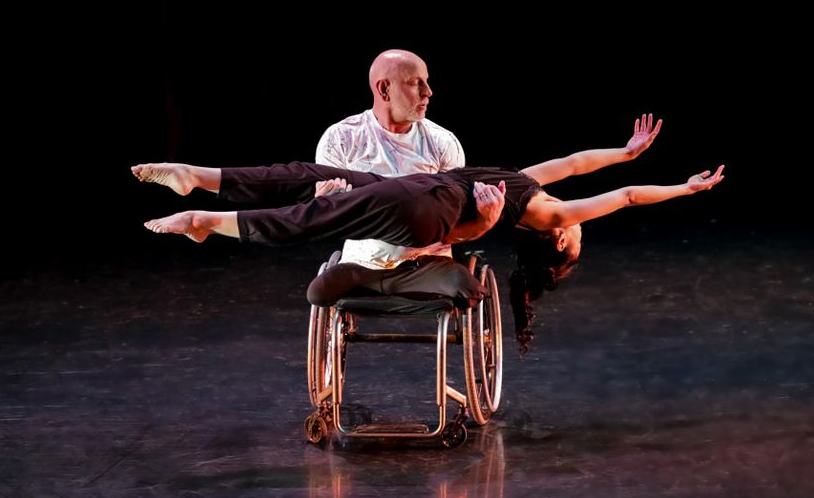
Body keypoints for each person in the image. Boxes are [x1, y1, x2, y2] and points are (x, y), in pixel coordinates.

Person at [132, 117, 724, 352]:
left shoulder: (548, 217)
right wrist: (623, 152)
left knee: (320, 214)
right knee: (315, 177)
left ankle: (207, 220)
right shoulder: (527, 185)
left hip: (429, 204)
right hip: (424, 193)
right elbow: (575, 163)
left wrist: (682, 189)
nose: (579, 230)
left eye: (576, 236)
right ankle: (200, 181)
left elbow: (618, 197)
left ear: (560, 241)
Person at [309, 48, 494, 308]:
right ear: (385, 89)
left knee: (467, 289)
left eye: (426, 82)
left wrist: (483, 222)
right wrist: (324, 208)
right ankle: (369, 277)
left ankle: (399, 281)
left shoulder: (442, 143)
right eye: (416, 83)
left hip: (426, 263)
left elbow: (452, 226)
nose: (428, 92)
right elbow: (330, 218)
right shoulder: (341, 139)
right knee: (318, 294)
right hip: (362, 262)